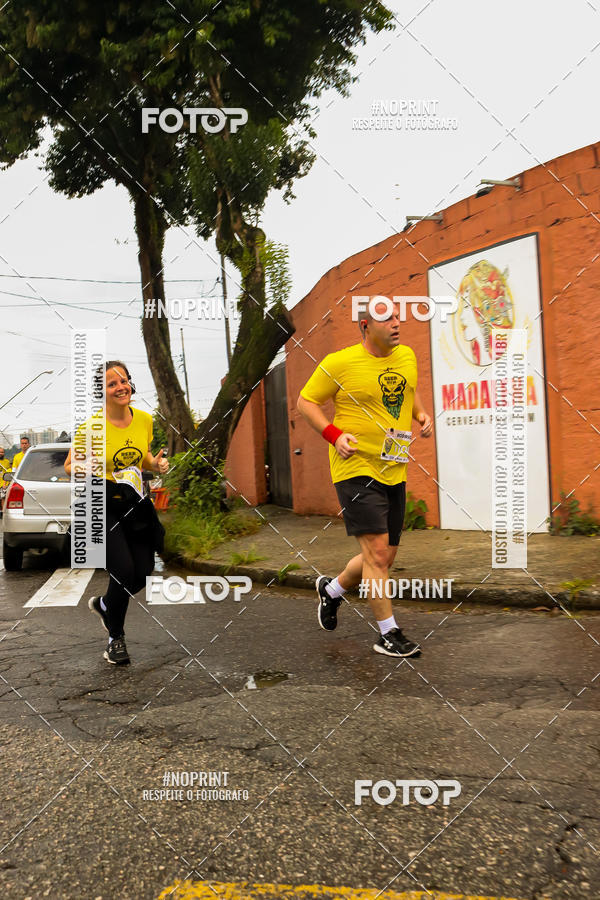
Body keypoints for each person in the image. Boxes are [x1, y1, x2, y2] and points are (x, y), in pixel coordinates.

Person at [297, 299, 433, 658]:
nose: (396, 322)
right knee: (374, 552)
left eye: (397, 316)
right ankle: (388, 634)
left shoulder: (406, 356)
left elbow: (408, 388)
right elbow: (306, 402)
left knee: (382, 557)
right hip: (355, 468)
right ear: (365, 326)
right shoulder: (339, 363)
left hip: (394, 466)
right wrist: (334, 434)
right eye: (386, 317)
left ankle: (331, 591)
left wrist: (420, 414)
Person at [64, 361, 169, 665]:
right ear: (102, 393)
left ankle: (107, 604)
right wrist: (93, 466)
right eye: (111, 383)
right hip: (100, 503)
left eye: (124, 380)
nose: (120, 386)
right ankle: (115, 639)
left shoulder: (145, 420)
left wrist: (157, 465)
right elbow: (70, 466)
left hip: (133, 502)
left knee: (143, 571)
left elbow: (142, 457)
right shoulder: (91, 429)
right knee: (122, 570)